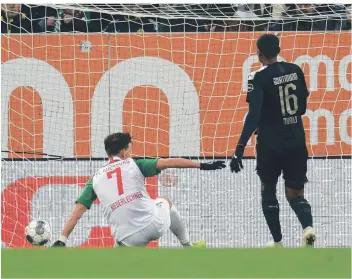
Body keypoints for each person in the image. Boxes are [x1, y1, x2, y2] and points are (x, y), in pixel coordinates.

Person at [53, 132, 225, 247]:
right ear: (123, 151)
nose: (131, 152)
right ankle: (188, 246)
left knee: (119, 250)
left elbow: (78, 211)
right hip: (154, 225)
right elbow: (167, 162)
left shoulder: (95, 178)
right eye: (130, 148)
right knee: (165, 200)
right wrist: (202, 165)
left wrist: (62, 239)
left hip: (128, 239)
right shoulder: (133, 163)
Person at [230, 34, 315, 247]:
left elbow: (254, 114)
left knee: (268, 189)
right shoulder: (295, 70)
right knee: (295, 193)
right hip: (295, 138)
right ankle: (308, 228)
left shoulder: (257, 77)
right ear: (279, 49)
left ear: (258, 53)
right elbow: (302, 108)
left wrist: (240, 146)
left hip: (270, 142)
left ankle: (278, 243)